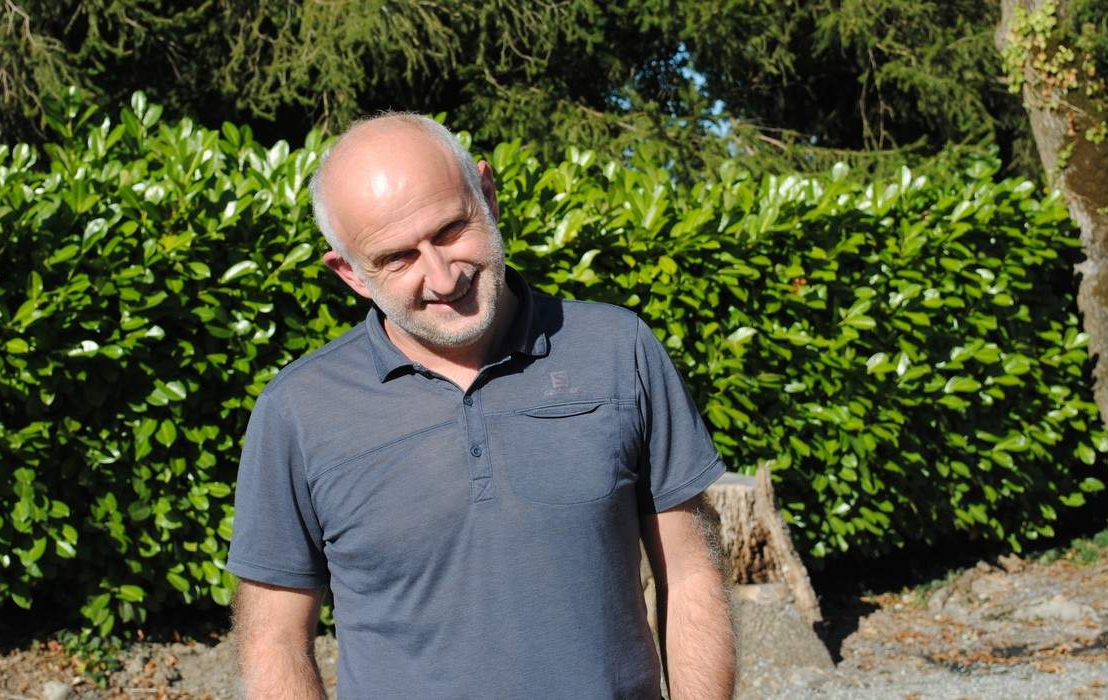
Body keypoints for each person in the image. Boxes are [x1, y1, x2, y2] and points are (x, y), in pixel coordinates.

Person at [226, 113, 735, 699]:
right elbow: (273, 640)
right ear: (351, 274)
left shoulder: (618, 350)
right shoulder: (298, 411)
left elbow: (692, 572)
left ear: (487, 195)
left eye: (449, 230)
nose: (443, 278)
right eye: (398, 258)